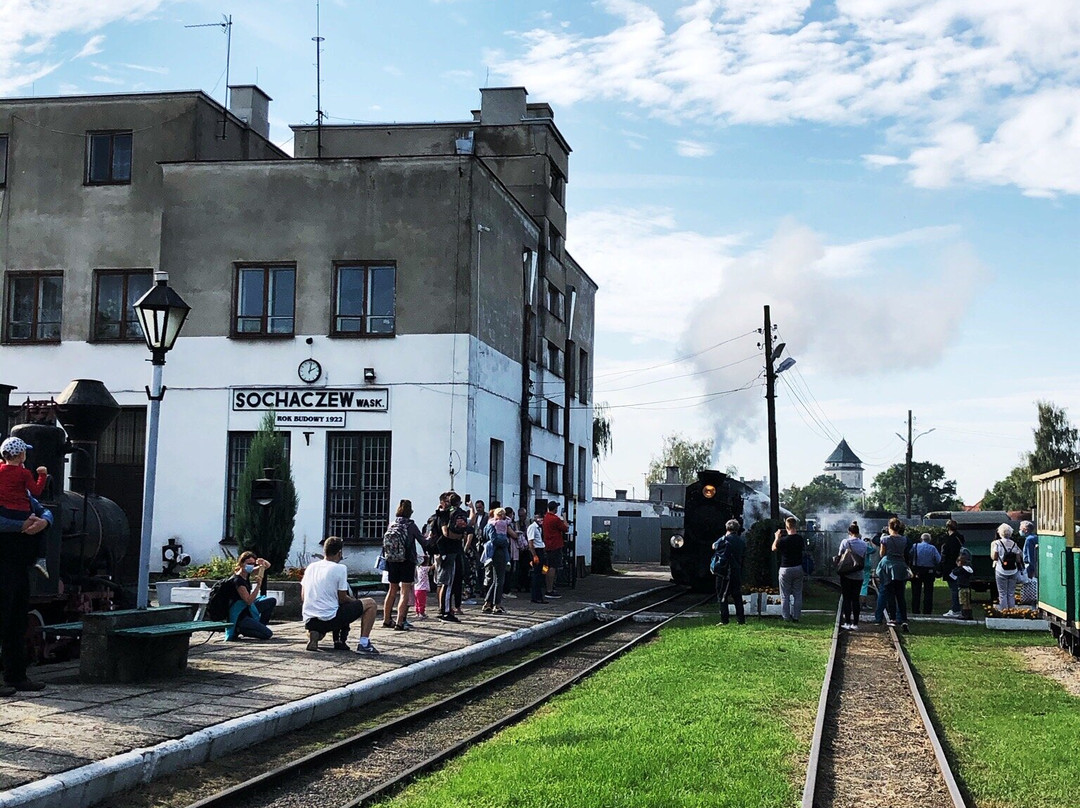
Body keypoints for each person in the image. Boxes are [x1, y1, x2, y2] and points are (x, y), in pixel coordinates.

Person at [0, 493, 52, 695]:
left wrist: (44, 522)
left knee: (17, 622)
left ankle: (16, 676)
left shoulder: (24, 493)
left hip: (20, 565)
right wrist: (22, 525)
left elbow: (44, 510)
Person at [301, 536, 379, 653]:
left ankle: (314, 633)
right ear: (339, 553)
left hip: (310, 619)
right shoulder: (340, 568)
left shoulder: (311, 567)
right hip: (329, 617)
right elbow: (342, 598)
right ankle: (364, 643)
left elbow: (303, 595)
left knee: (329, 611)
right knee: (371, 604)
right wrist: (355, 601)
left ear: (324, 551)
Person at [0, 437, 50, 577]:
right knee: (40, 526)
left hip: (3, 511)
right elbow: (36, 491)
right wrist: (42, 475)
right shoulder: (24, 473)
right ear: (22, 455)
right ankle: (41, 559)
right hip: (21, 512)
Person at [382, 499, 423, 631]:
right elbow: (424, 541)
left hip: (392, 560)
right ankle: (400, 622)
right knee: (404, 592)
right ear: (410, 511)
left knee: (392, 589)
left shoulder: (392, 524)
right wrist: (431, 537)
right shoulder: (410, 525)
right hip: (406, 561)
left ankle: (386, 619)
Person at [224, 551, 276, 641]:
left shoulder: (247, 573)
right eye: (249, 563)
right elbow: (248, 601)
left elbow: (267, 566)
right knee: (267, 634)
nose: (251, 566)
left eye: (252, 563)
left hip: (247, 609)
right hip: (240, 615)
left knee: (271, 601)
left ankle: (260, 625)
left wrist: (262, 561)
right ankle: (239, 629)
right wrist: (258, 586)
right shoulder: (238, 581)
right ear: (241, 563)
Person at [436, 492, 470, 622]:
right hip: (449, 551)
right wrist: (460, 536)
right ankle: (445, 612)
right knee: (447, 583)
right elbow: (446, 533)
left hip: (445, 551)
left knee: (445, 582)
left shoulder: (442, 514)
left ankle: (444, 610)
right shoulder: (447, 515)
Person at [878, 517, 910, 632]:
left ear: (889, 527)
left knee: (890, 594)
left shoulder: (885, 539)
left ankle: (893, 618)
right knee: (901, 595)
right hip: (901, 566)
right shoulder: (904, 539)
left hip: (889, 567)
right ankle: (904, 619)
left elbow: (882, 554)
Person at [482, 507, 515, 614]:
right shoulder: (493, 525)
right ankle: (497, 604)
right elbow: (494, 539)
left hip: (496, 552)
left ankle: (488, 603)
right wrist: (505, 542)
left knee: (496, 580)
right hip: (498, 553)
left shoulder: (491, 524)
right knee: (500, 580)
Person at [772, 516, 805, 622]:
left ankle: (786, 617)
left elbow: (773, 548)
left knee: (785, 595)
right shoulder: (800, 539)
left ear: (786, 526)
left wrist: (777, 537)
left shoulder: (783, 540)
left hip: (785, 568)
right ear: (795, 526)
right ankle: (796, 617)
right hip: (798, 567)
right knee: (797, 594)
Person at [714, 519, 746, 625]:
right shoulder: (741, 541)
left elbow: (714, 546)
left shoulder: (724, 539)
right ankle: (741, 620)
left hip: (724, 572)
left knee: (722, 596)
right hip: (736, 571)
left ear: (727, 528)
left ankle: (724, 620)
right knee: (737, 596)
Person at [836, 522, 868, 630]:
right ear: (858, 532)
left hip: (846, 574)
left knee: (846, 598)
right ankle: (856, 623)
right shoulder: (864, 544)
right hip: (859, 574)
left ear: (849, 532)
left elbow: (840, 555)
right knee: (855, 598)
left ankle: (848, 622)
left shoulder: (845, 542)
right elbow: (863, 556)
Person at [991, 523, 1022, 612]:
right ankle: (1012, 610)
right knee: (1011, 593)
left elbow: (995, 557)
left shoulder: (997, 543)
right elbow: (1018, 559)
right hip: (1013, 570)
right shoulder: (1014, 544)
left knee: (1002, 593)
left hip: (1001, 570)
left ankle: (1004, 611)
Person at [909, 532, 941, 616]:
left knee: (916, 592)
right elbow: (938, 560)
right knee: (928, 592)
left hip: (917, 570)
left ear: (921, 539)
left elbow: (910, 556)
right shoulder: (932, 548)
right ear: (929, 540)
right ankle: (927, 611)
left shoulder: (915, 546)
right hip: (929, 571)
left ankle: (915, 610)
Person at [542, 501, 569, 599]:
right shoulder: (555, 519)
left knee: (546, 566)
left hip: (547, 545)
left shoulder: (545, 518)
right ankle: (550, 589)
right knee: (553, 567)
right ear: (555, 509)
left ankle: (547, 585)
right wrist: (565, 517)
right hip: (555, 545)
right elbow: (566, 528)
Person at [940, 519, 966, 617]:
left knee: (954, 589)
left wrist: (941, 567)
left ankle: (955, 609)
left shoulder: (948, 540)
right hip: (960, 565)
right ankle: (959, 608)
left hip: (950, 567)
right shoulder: (960, 538)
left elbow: (945, 555)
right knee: (957, 588)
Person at [948, 548, 975, 620]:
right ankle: (970, 614)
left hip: (962, 587)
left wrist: (957, 566)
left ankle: (964, 614)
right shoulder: (969, 569)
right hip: (967, 587)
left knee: (963, 602)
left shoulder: (960, 569)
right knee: (968, 602)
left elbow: (954, 572)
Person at [527, 512, 547, 604]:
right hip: (536, 551)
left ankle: (540, 595)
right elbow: (530, 543)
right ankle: (535, 597)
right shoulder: (532, 527)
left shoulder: (540, 528)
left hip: (541, 550)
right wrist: (534, 555)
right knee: (536, 575)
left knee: (542, 573)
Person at [414, 552, 431, 618]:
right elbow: (432, 567)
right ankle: (421, 613)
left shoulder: (418, 568)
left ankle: (417, 612)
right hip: (422, 588)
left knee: (417, 602)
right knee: (422, 602)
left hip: (416, 588)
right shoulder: (425, 569)